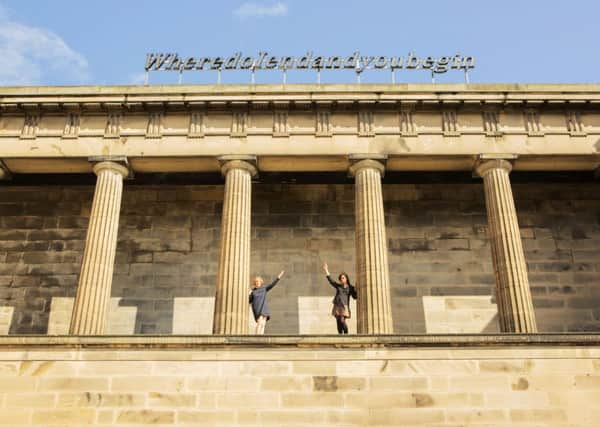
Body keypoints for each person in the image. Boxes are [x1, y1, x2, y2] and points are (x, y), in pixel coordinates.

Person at [322, 263, 357, 334]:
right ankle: (340, 336)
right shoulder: (338, 286)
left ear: (346, 279)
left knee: (342, 320)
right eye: (340, 278)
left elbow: (355, 297)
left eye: (343, 278)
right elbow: (331, 281)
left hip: (344, 306)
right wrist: (326, 270)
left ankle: (346, 333)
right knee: (338, 322)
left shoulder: (350, 288)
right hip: (337, 306)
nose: (341, 279)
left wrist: (356, 289)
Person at [249, 270, 285, 335]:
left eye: (258, 281)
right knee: (260, 322)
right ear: (254, 283)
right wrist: (249, 294)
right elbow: (249, 301)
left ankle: (261, 337)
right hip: (257, 308)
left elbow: (272, 285)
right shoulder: (253, 291)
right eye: (256, 282)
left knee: (263, 323)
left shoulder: (264, 289)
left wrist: (278, 278)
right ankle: (257, 336)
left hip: (263, 307)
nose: (257, 283)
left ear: (260, 282)